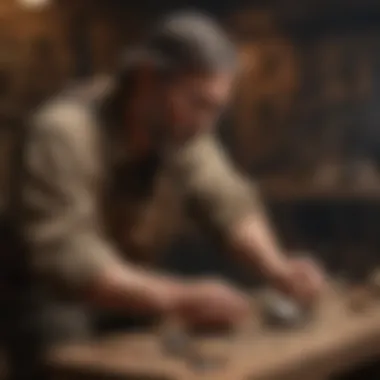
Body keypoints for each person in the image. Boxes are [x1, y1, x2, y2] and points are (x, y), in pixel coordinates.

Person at [4, 11, 324, 379]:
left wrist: (277, 268)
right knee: (71, 360)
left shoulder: (182, 132)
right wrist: (179, 298)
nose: (205, 123)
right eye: (197, 102)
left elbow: (227, 201)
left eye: (216, 110)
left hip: (127, 289)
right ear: (147, 79)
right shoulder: (64, 132)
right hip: (52, 297)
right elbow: (69, 258)